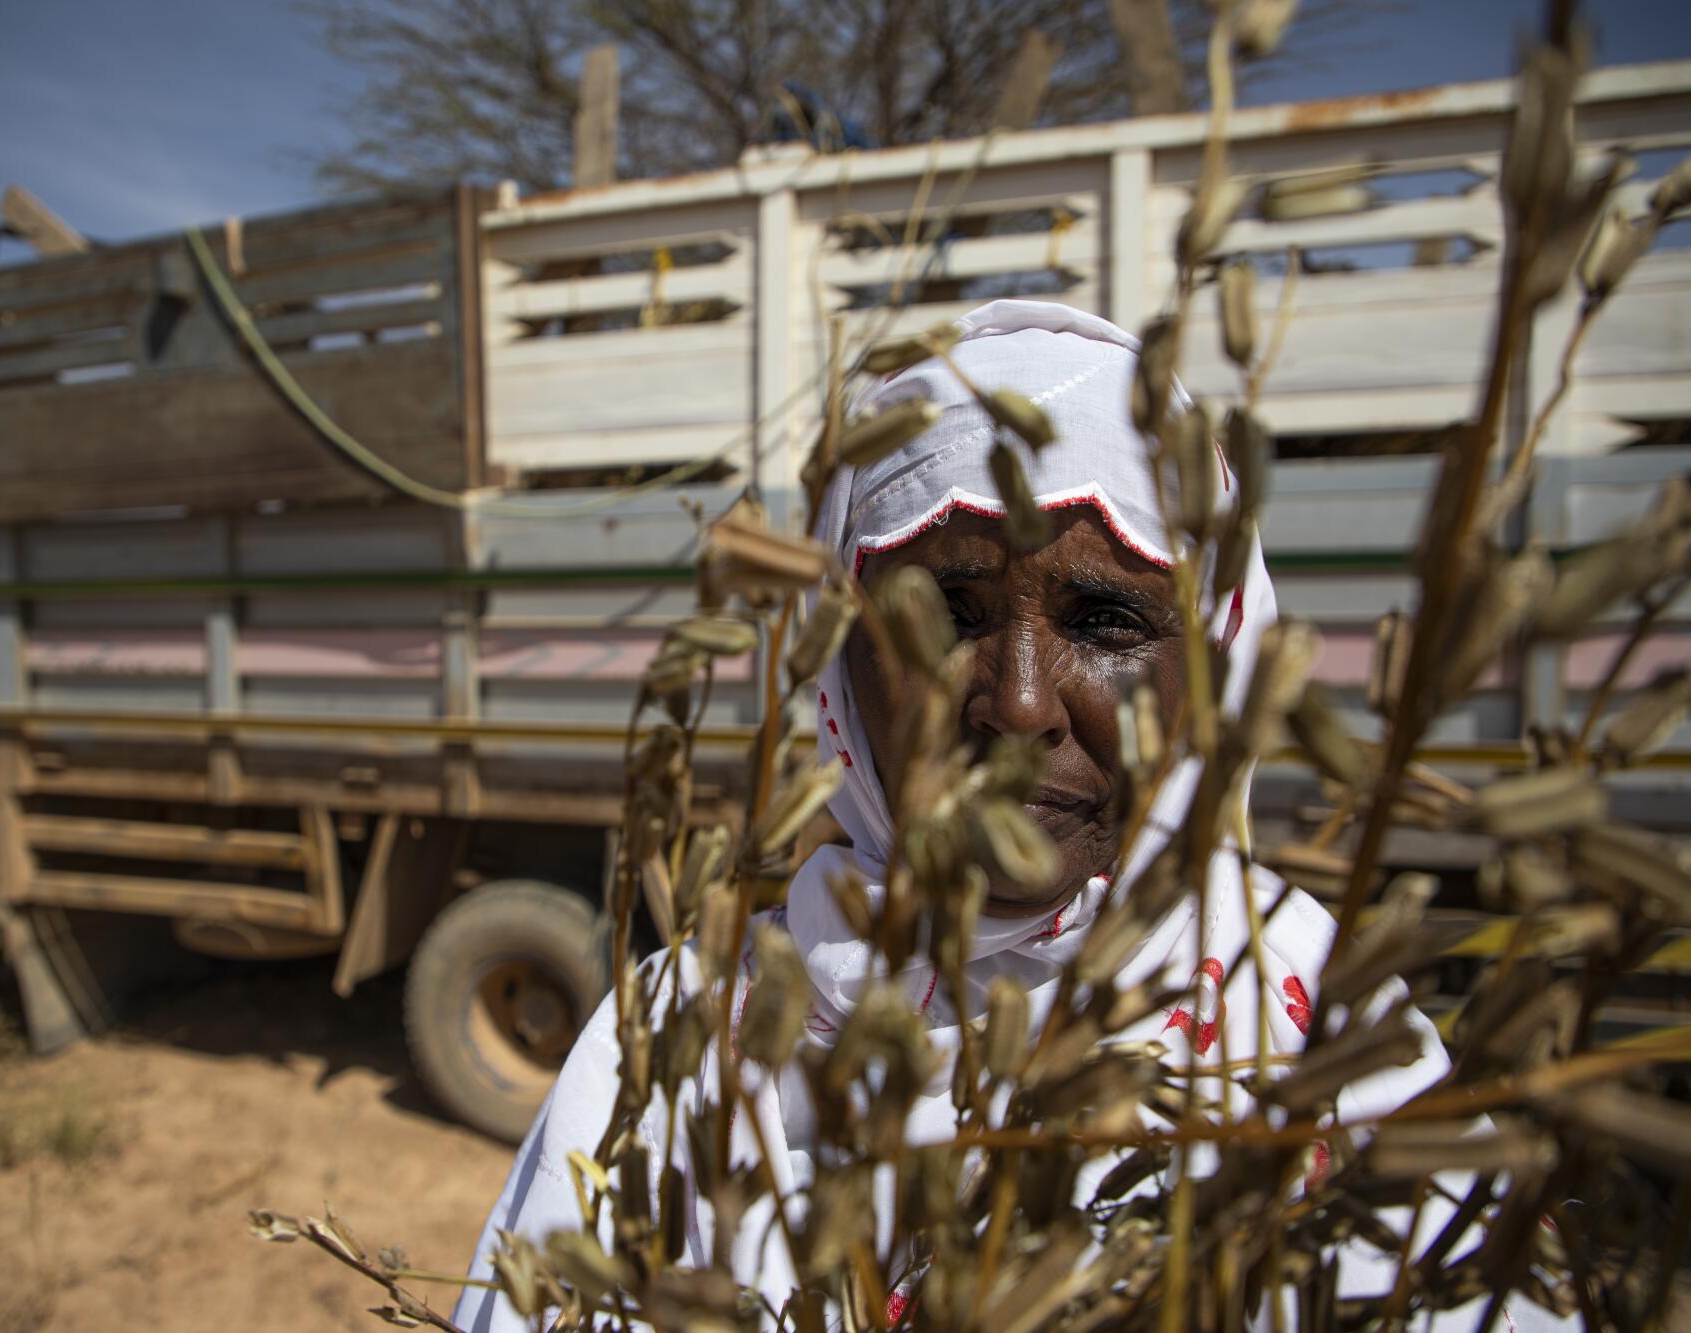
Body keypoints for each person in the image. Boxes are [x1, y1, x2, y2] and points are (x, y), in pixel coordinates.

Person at [452, 300, 1566, 1331]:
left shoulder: (1324, 1037)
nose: (1020, 702)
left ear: (1215, 666)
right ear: (839, 660)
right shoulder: (676, 1042)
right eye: (944, 612)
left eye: (1105, 618)